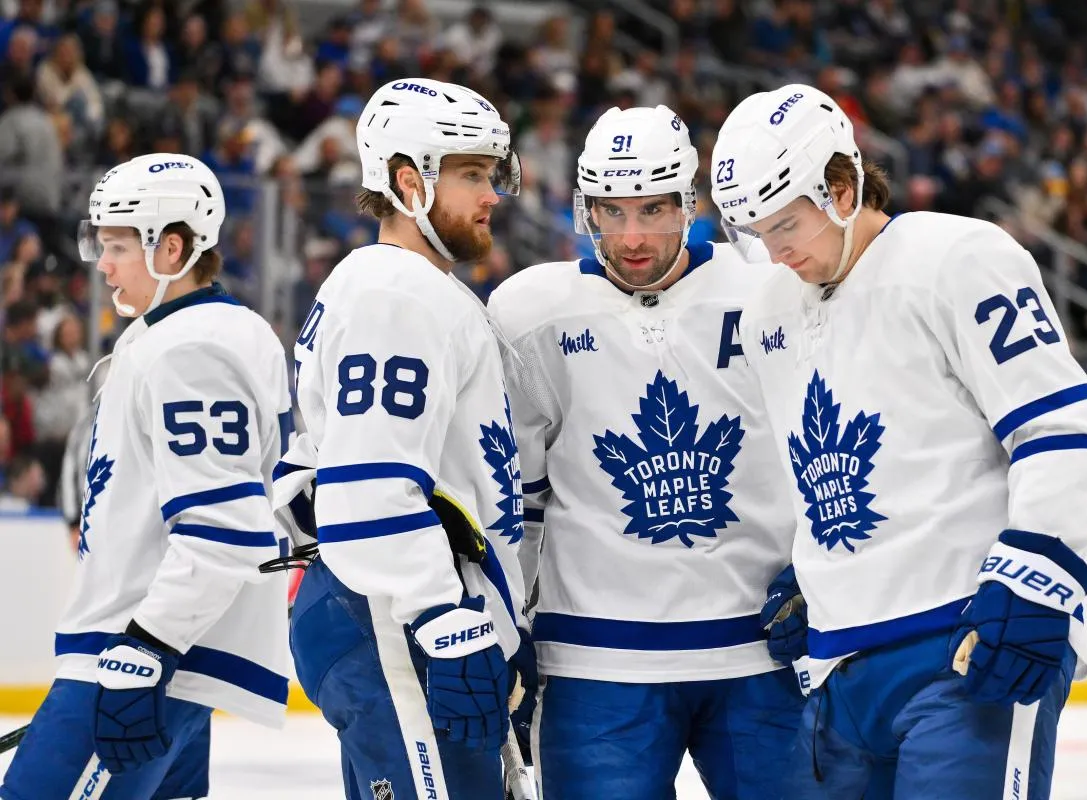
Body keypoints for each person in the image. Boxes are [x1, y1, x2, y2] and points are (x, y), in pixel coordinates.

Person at [709, 84, 1087, 799]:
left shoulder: (958, 257)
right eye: (752, 232)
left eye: (784, 225)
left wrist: (1035, 579)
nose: (772, 254)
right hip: (841, 670)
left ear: (842, 187)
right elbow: (811, 471)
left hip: (966, 647)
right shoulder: (768, 313)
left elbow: (1066, 432)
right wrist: (812, 570)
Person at [487, 105, 807, 800]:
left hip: (761, 650)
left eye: (655, 210)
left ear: (688, 204)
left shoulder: (768, 296)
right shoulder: (530, 313)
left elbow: (818, 448)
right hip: (595, 659)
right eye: (612, 211)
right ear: (586, 210)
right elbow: (518, 499)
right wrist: (503, 622)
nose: (632, 237)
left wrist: (827, 575)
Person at [0, 153, 292, 799]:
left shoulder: (192, 348)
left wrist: (147, 649)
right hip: (159, 659)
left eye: (117, 246)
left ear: (174, 248)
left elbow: (224, 530)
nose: (101, 264)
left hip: (139, 660)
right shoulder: (183, 335)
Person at [273, 78, 533, 800]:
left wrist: (500, 621)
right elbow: (370, 485)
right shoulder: (395, 295)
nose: (492, 195)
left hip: (388, 614)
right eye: (472, 175)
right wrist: (448, 621)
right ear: (408, 180)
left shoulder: (411, 288)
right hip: (390, 621)